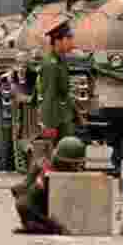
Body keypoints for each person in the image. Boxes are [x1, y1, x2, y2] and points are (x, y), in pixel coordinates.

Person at [11, 135, 86, 234]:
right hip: (37, 208)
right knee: (25, 203)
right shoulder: (46, 170)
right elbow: (22, 197)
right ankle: (37, 225)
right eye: (75, 165)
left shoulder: (50, 168)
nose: (77, 168)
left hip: (43, 209)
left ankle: (40, 225)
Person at [38, 15, 77, 147]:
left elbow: (65, 92)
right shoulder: (51, 65)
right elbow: (49, 95)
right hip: (56, 120)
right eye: (69, 38)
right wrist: (48, 125)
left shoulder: (62, 61)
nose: (72, 43)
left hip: (64, 116)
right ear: (57, 40)